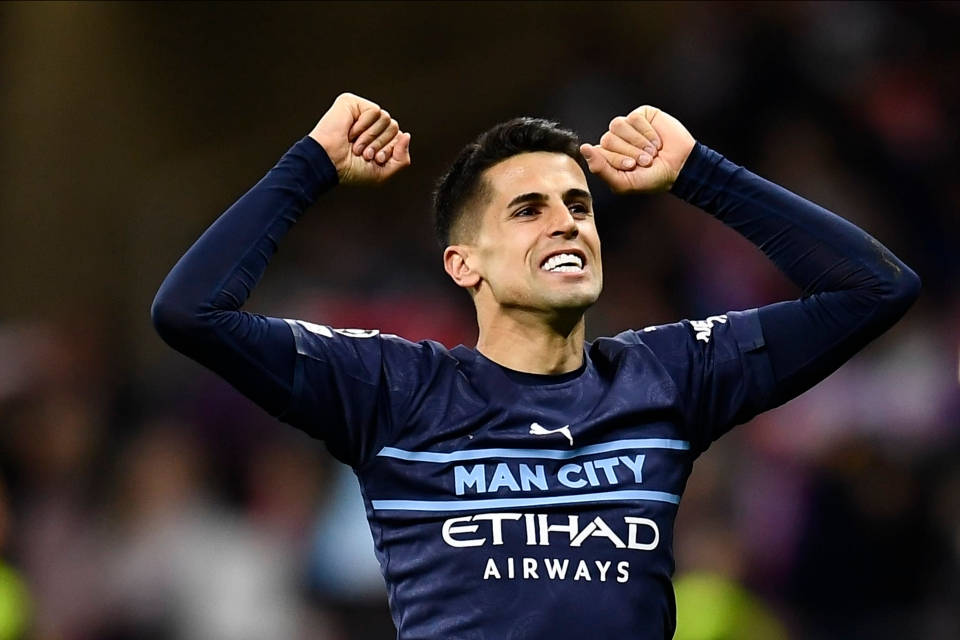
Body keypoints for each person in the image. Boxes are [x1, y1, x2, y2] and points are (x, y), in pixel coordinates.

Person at [151, 92, 920, 639]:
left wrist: (700, 174)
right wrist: (310, 165)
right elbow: (192, 311)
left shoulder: (667, 375)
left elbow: (875, 288)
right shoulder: (390, 389)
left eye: (579, 206)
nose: (568, 224)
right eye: (529, 209)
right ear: (462, 264)